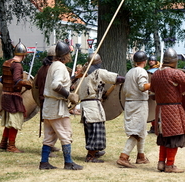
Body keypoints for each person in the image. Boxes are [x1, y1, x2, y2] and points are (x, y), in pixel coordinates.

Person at [150, 48, 185, 173]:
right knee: (174, 137)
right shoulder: (174, 73)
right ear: (174, 61)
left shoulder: (156, 74)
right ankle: (170, 165)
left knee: (164, 137)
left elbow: (152, 93)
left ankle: (161, 163)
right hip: (172, 110)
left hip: (160, 110)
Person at [39, 41, 83, 170]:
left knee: (49, 136)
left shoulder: (54, 65)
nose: (70, 56)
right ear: (65, 55)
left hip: (49, 106)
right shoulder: (59, 67)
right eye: (69, 53)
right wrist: (69, 95)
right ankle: (68, 162)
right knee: (65, 134)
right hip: (56, 107)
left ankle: (44, 162)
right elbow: (55, 85)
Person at [78, 53, 125, 163]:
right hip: (93, 106)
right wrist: (128, 79)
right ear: (99, 63)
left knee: (90, 131)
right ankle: (90, 156)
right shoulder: (98, 73)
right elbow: (117, 78)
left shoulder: (84, 75)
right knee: (95, 130)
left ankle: (95, 151)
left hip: (85, 106)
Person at [116, 51, 150, 168]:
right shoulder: (141, 71)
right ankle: (123, 156)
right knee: (136, 132)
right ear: (144, 61)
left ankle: (141, 156)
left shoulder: (130, 72)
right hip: (138, 104)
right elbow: (142, 87)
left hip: (130, 103)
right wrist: (153, 83)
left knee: (141, 130)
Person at [0, 40, 32, 153]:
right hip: (13, 96)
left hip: (5, 94)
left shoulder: (7, 63)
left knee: (9, 121)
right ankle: (11, 146)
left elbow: (3, 79)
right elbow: (17, 80)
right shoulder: (17, 65)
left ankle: (3, 143)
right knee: (15, 121)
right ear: (23, 55)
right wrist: (27, 84)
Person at [34, 45, 60, 156]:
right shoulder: (51, 69)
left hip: (44, 99)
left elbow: (35, 85)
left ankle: (50, 145)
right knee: (52, 126)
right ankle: (47, 149)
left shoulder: (42, 69)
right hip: (49, 100)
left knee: (52, 126)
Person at [147, 55, 160, 134]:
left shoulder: (158, 71)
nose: (151, 61)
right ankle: (153, 127)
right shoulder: (148, 71)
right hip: (150, 93)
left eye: (153, 60)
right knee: (151, 110)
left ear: (155, 61)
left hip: (157, 93)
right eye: (150, 60)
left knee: (156, 111)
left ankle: (157, 127)